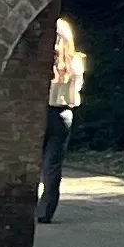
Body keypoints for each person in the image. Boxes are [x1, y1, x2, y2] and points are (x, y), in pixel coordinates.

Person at [38, 15, 87, 223]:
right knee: (52, 165)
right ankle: (46, 211)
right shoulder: (75, 61)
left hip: (41, 111)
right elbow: (77, 89)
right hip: (63, 113)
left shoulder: (42, 60)